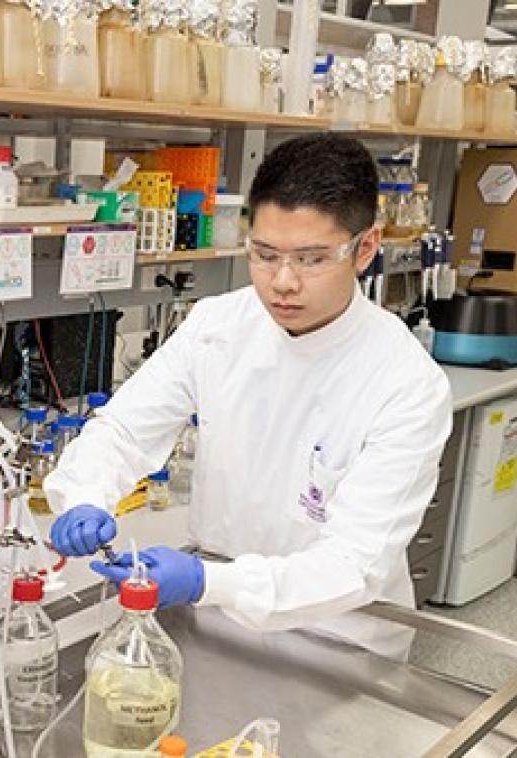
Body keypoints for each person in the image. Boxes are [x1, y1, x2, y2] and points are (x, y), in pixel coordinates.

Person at [44, 133, 452, 657]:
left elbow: (354, 563)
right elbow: (123, 428)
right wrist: (85, 495)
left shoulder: (406, 383)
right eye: (264, 254)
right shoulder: (218, 326)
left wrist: (205, 581)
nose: (282, 282)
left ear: (365, 248)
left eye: (310, 260)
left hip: (340, 638)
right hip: (217, 621)